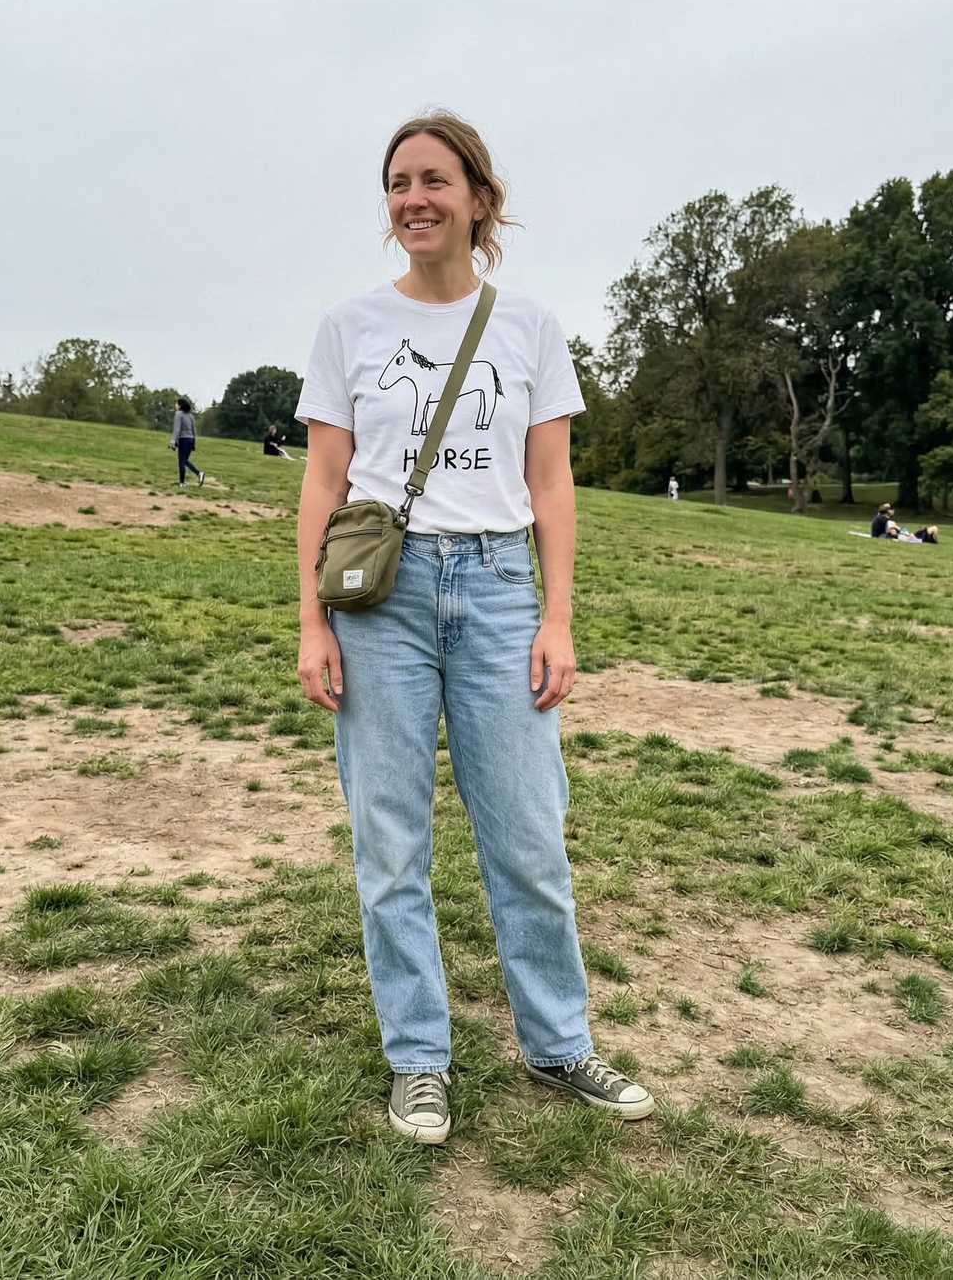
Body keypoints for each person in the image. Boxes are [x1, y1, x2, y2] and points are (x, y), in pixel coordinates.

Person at [294, 110, 652, 1148]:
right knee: (389, 841)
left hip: (497, 588)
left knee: (528, 835)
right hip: (382, 601)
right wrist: (310, 623)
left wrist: (557, 616)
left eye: (434, 179)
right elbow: (322, 483)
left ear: (477, 199)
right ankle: (418, 1059)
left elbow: (551, 482)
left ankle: (556, 1039)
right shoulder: (347, 325)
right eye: (398, 181)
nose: (413, 197)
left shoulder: (529, 327)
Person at [169, 397, 204, 486]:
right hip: (191, 439)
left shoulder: (178, 414)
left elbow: (177, 429)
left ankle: (182, 482)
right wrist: (193, 442)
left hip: (183, 439)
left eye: (176, 404)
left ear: (180, 406)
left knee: (181, 461)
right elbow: (193, 430)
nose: (175, 406)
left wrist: (173, 441)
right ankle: (198, 474)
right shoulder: (190, 415)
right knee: (184, 461)